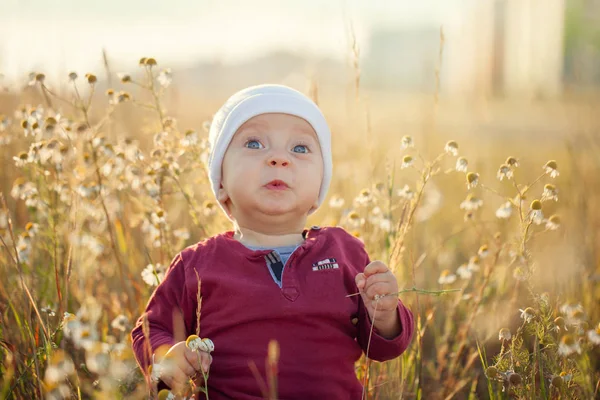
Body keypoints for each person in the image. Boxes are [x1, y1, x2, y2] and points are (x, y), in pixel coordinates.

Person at [131, 84, 414, 399]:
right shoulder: (197, 264)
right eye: (254, 143)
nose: (279, 158)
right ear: (220, 181)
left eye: (300, 148)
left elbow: (382, 347)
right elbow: (151, 328)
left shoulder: (344, 250)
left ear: (321, 182)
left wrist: (385, 315)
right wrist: (168, 358)